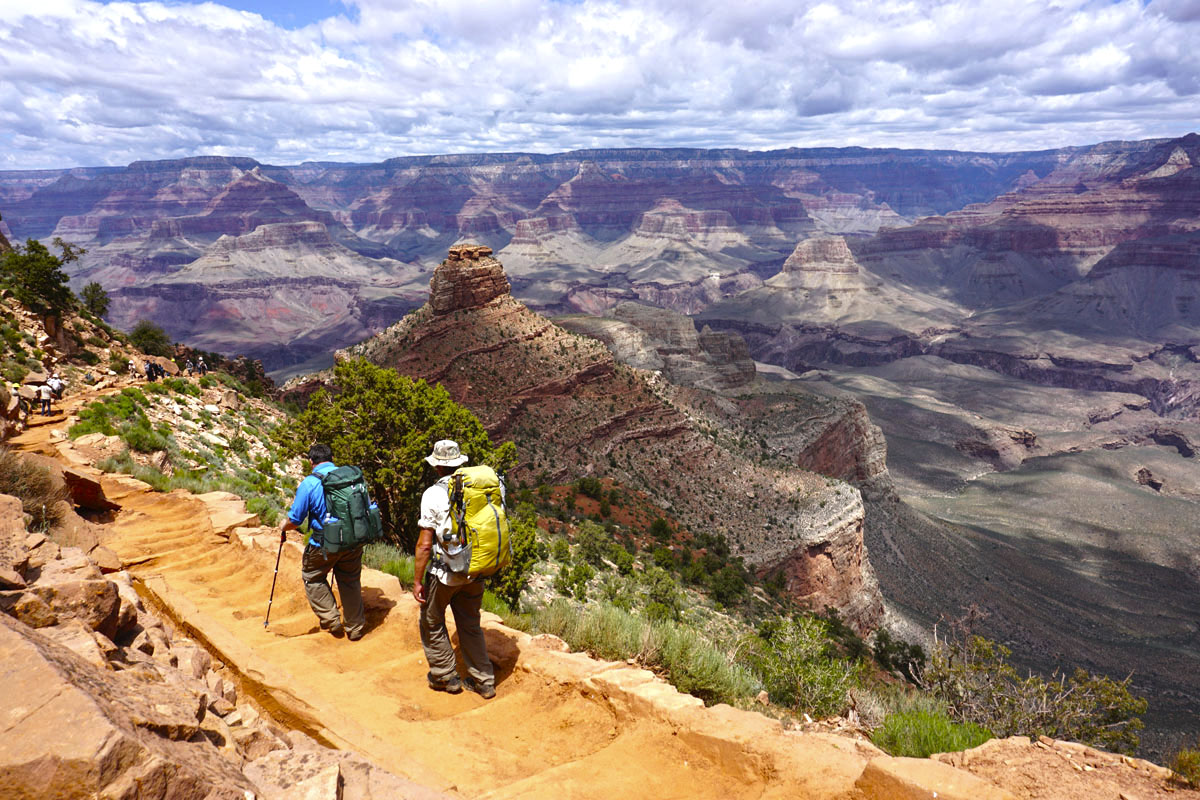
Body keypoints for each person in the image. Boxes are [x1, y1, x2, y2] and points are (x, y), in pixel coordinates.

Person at [414, 440, 497, 698]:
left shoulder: (433, 494)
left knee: (431, 619)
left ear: (437, 466)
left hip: (446, 573)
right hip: (476, 569)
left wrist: (418, 581)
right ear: (461, 462)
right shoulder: (479, 489)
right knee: (470, 623)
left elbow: (425, 545)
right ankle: (484, 681)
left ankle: (445, 676)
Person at [280, 443, 366, 641]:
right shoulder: (351, 478)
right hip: (353, 541)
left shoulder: (309, 483)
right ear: (332, 458)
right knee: (350, 580)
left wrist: (282, 527)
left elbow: (295, 520)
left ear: (311, 462)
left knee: (313, 575)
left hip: (324, 543)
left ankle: (331, 618)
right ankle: (355, 627)